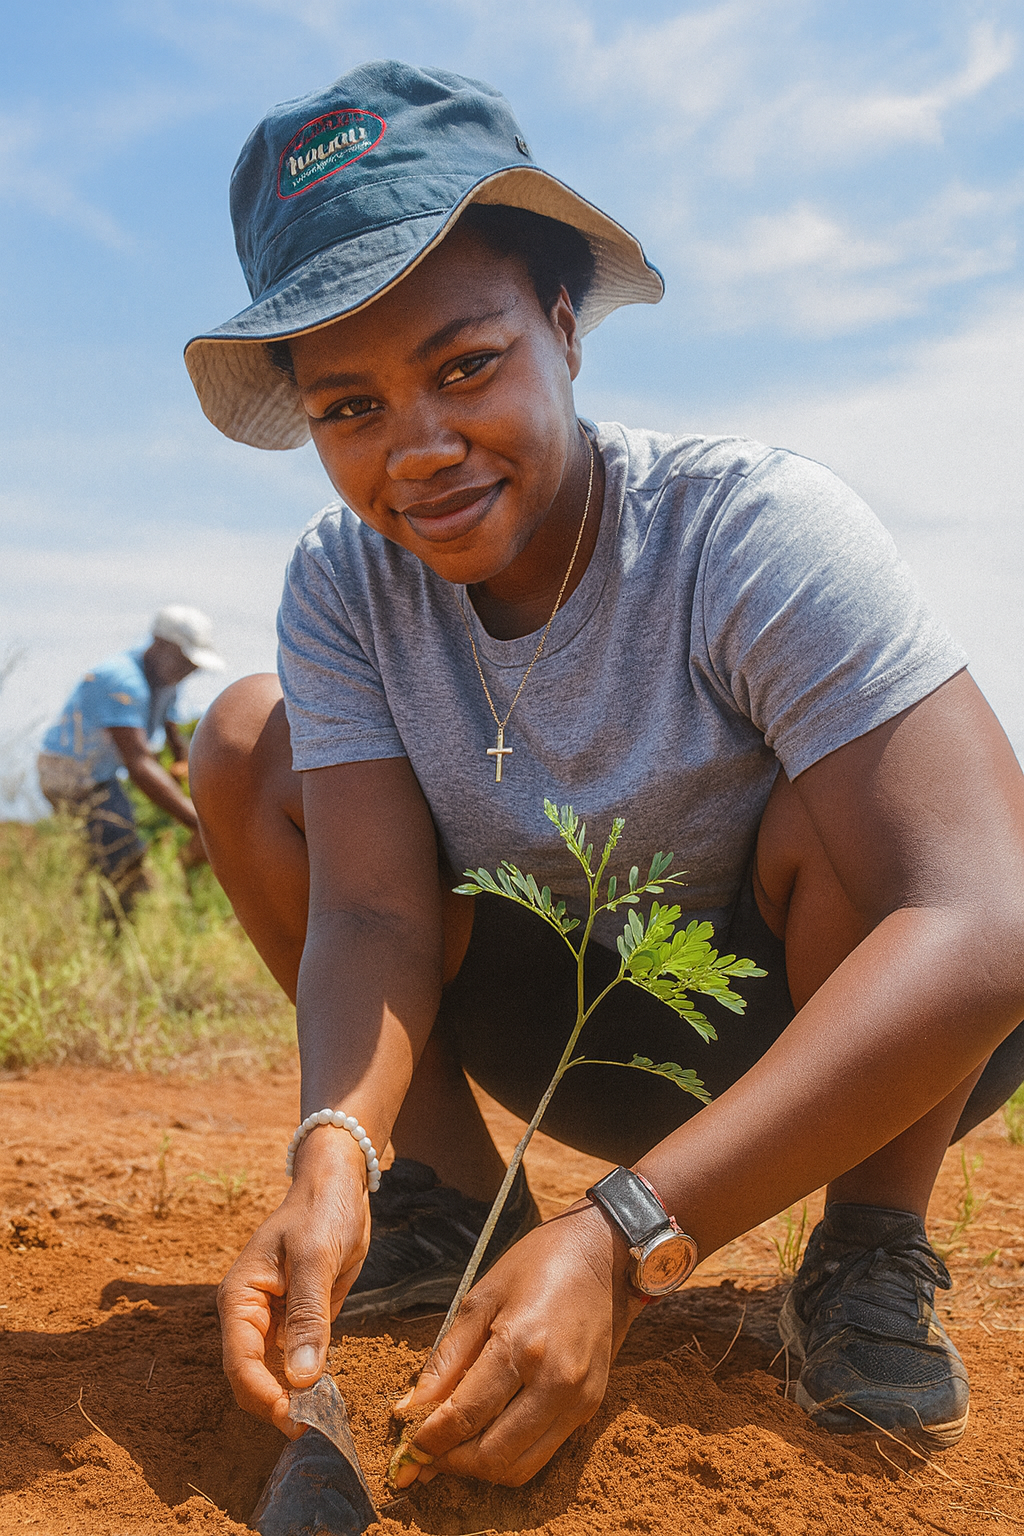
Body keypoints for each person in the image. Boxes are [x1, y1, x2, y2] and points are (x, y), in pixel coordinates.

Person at [184, 61, 1024, 1486]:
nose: (421, 451)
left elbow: (987, 922)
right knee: (248, 739)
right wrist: (333, 1150)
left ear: (564, 328)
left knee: (863, 804)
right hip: (559, 1036)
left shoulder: (749, 534)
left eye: (466, 367)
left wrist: (629, 1236)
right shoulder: (347, 588)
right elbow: (377, 912)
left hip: (825, 1052)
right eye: (349, 410)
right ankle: (448, 1203)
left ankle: (873, 1242)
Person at [38, 606, 224, 909]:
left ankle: (87, 908)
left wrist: (186, 768)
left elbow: (174, 732)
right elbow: (139, 764)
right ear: (160, 644)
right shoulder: (123, 680)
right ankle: (110, 932)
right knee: (121, 850)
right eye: (186, 660)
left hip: (102, 775)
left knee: (106, 850)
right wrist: (201, 823)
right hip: (70, 773)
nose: (192, 670)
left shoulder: (165, 683)